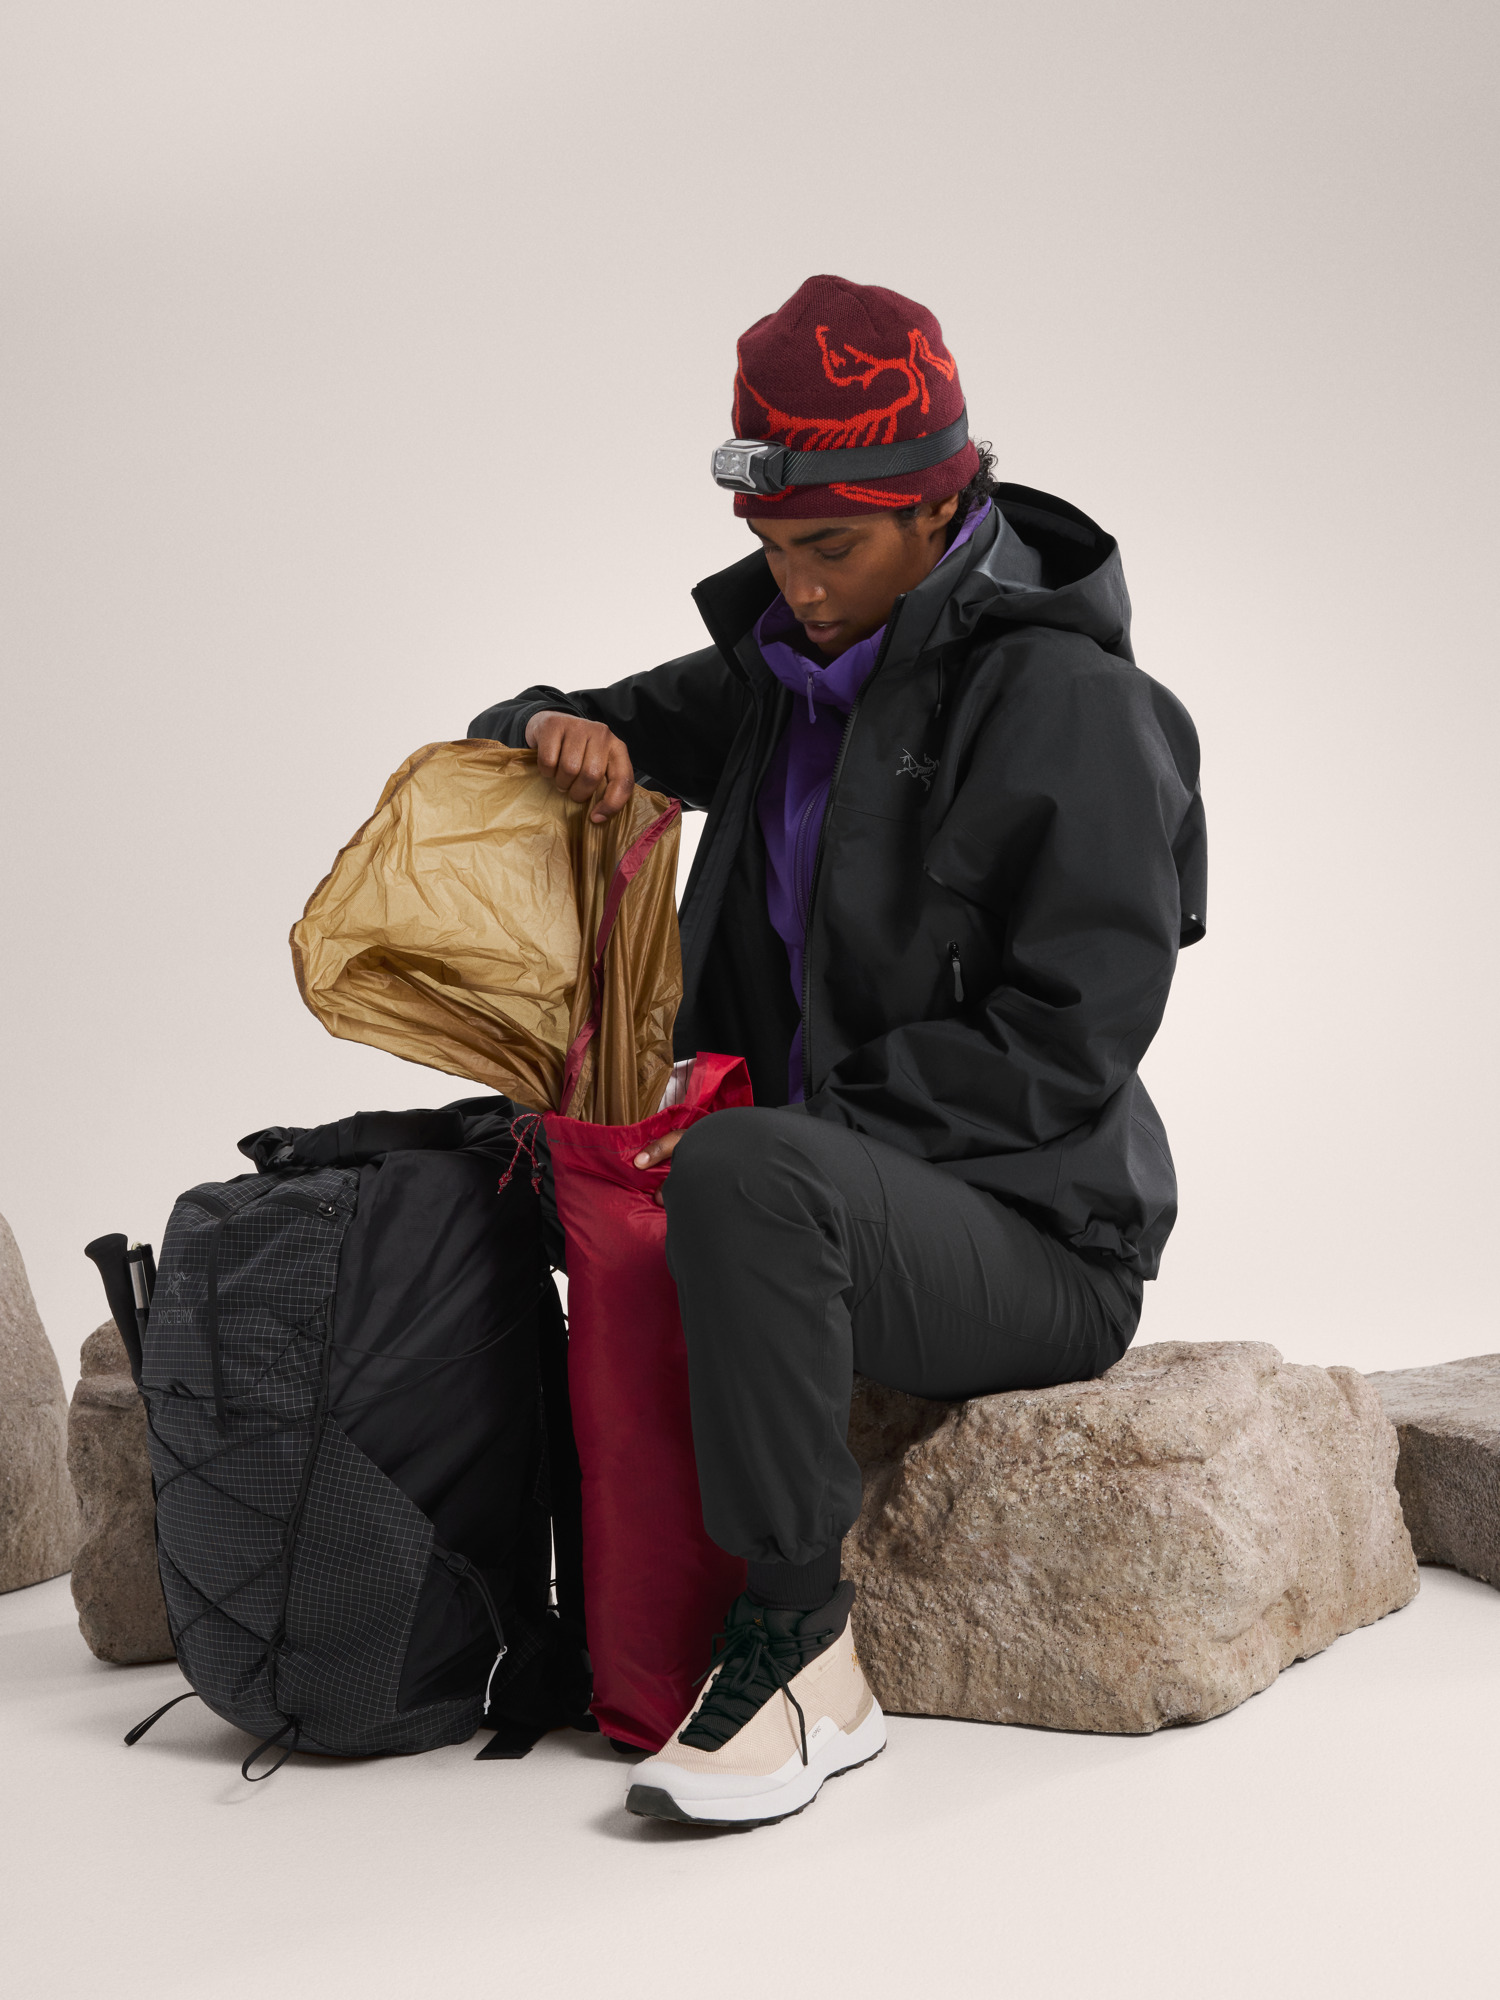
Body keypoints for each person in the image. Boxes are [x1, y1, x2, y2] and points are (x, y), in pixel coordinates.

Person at [469, 274, 1206, 1827]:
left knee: (746, 1167)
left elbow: (1070, 1037)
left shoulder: (1072, 705)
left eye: (832, 548)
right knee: (528, 1162)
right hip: (812, 1198)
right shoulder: (778, 686)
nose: (797, 586)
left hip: (1036, 1238)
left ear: (942, 505)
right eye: (771, 547)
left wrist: (806, 1134)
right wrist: (549, 729)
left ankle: (806, 1654)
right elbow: (539, 723)